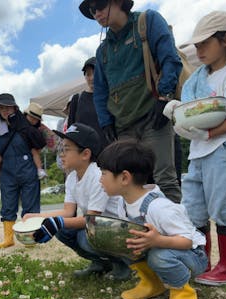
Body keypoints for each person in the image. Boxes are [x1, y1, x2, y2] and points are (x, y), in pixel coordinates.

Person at [165, 11, 226, 286]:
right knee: (193, 208)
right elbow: (189, 109)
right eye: (196, 45)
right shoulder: (199, 76)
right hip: (199, 152)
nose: (199, 50)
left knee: (223, 208)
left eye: (205, 43)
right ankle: (201, 262)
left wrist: (207, 132)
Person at [80, 0, 182, 203]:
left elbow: (171, 58)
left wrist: (163, 98)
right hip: (123, 126)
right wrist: (105, 122)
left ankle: (176, 233)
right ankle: (140, 231)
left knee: (165, 180)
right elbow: (100, 91)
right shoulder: (102, 51)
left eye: (100, 5)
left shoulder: (148, 21)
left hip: (153, 115)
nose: (97, 13)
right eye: (92, 10)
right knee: (129, 184)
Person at [97, 139, 208, 299]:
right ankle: (151, 283)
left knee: (159, 256)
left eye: (103, 174)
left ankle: (183, 292)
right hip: (164, 249)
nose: (100, 179)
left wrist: (157, 241)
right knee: (123, 243)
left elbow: (187, 241)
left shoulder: (159, 207)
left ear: (124, 177)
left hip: (192, 255)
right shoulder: (122, 203)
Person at [26, 123, 129, 278]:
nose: (61, 154)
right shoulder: (72, 177)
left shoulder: (97, 176)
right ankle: (100, 263)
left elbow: (92, 219)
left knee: (84, 237)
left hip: (118, 230)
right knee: (63, 230)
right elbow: (68, 212)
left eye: (66, 149)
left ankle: (122, 263)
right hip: (99, 227)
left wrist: (55, 222)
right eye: (61, 149)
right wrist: (37, 217)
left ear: (85, 154)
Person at [0, 93, 43, 248]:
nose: (6, 110)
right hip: (7, 173)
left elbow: (37, 148)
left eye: (9, 107)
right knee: (8, 206)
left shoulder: (26, 126)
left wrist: (39, 169)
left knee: (30, 206)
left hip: (27, 171)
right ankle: (8, 238)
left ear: (15, 108)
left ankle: (31, 238)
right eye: (2, 107)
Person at [0, 102, 48, 190]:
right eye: (31, 117)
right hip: (9, 168)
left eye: (36, 119)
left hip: (27, 168)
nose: (33, 120)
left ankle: (40, 169)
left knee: (34, 152)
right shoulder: (4, 126)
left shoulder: (36, 130)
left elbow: (40, 147)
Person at [68, 57, 108, 145]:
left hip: (106, 151)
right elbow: (70, 129)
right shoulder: (77, 99)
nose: (92, 78)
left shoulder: (108, 97)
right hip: (83, 152)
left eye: (95, 73)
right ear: (85, 77)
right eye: (88, 74)